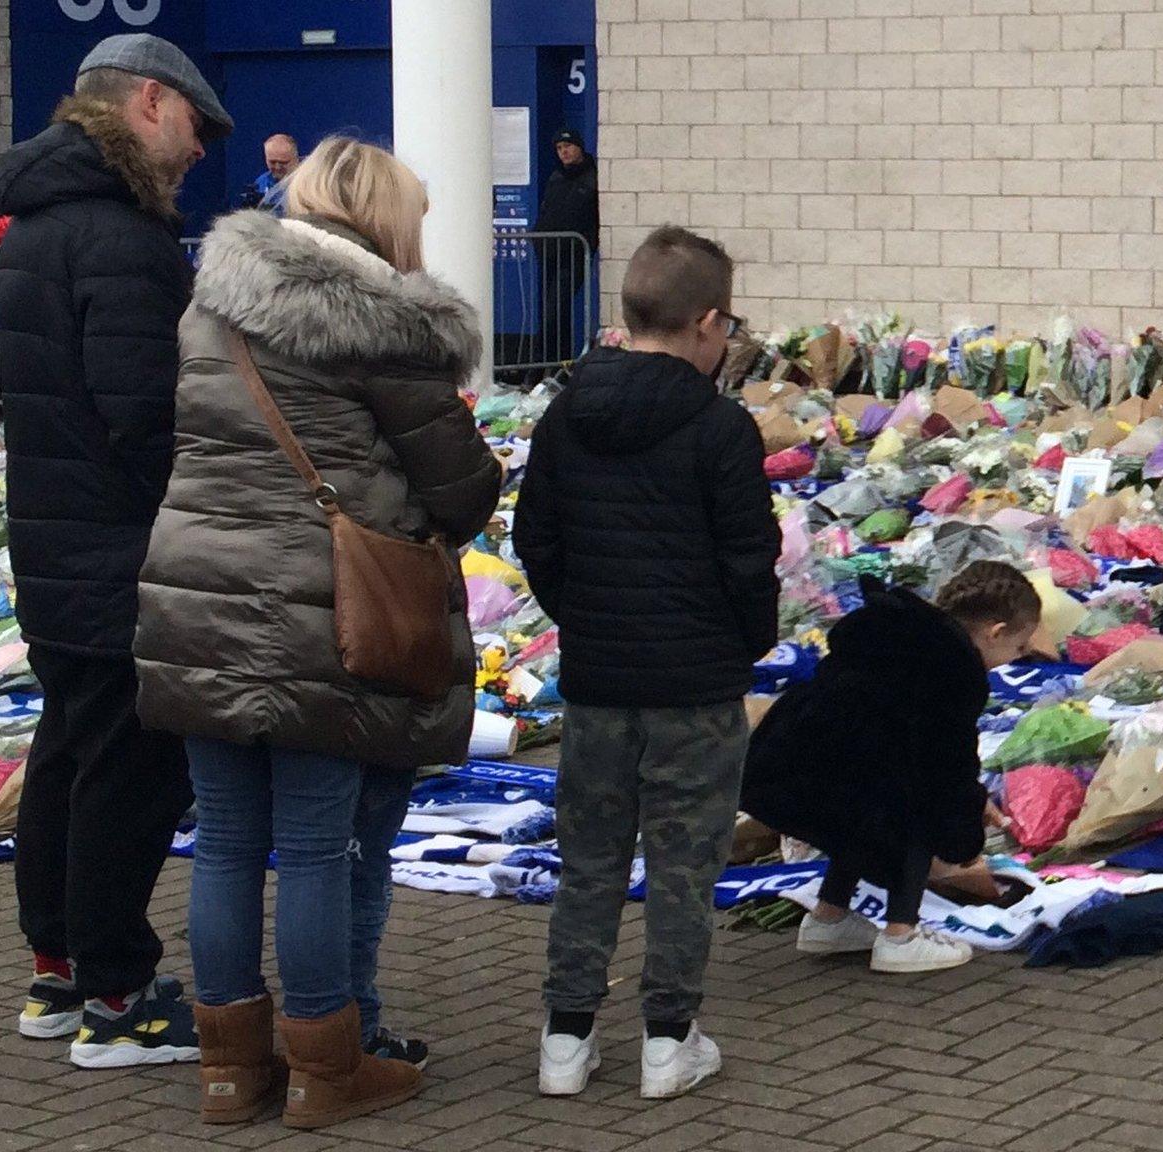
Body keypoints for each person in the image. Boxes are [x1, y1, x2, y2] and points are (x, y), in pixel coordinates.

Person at [134, 136, 501, 1128]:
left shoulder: (208, 305)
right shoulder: (382, 327)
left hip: (197, 600)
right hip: (321, 619)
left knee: (221, 845)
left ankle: (227, 1071)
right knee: (311, 848)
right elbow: (461, 484)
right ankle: (325, 1070)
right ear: (387, 220)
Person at [0, 32, 232, 1070]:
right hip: (117, 554)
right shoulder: (120, 239)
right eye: (192, 126)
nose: (198, 152)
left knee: (68, 749)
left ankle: (57, 969)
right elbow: (147, 418)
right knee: (129, 771)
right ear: (145, 102)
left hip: (54, 544)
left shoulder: (36, 227)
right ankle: (118, 994)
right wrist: (198, 520)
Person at [514, 224, 778, 1101]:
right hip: (696, 687)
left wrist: (585, 620)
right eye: (729, 325)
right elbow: (750, 562)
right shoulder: (722, 428)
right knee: (683, 867)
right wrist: (742, 645)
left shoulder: (565, 414)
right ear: (707, 323)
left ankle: (566, 1038)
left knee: (587, 861)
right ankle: (668, 1039)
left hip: (596, 682)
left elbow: (535, 542)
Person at [741, 563, 1040, 973]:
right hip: (821, 777)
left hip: (780, 765)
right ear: (995, 631)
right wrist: (968, 824)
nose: (1016, 659)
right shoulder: (952, 669)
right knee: (915, 806)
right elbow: (944, 766)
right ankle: (901, 935)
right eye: (1019, 647)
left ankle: (829, 918)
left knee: (874, 800)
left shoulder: (894, 634)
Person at [532, 128, 598, 366]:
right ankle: (552, 364)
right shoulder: (557, 177)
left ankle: (549, 365)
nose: (564, 152)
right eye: (559, 149)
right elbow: (547, 210)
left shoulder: (593, 177)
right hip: (550, 254)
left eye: (568, 146)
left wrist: (588, 244)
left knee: (555, 311)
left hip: (573, 256)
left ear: (579, 146)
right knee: (551, 315)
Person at [238, 133, 298, 215]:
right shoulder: (261, 182)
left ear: (295, 159)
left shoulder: (309, 181)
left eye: (283, 162)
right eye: (272, 162)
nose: (277, 167)